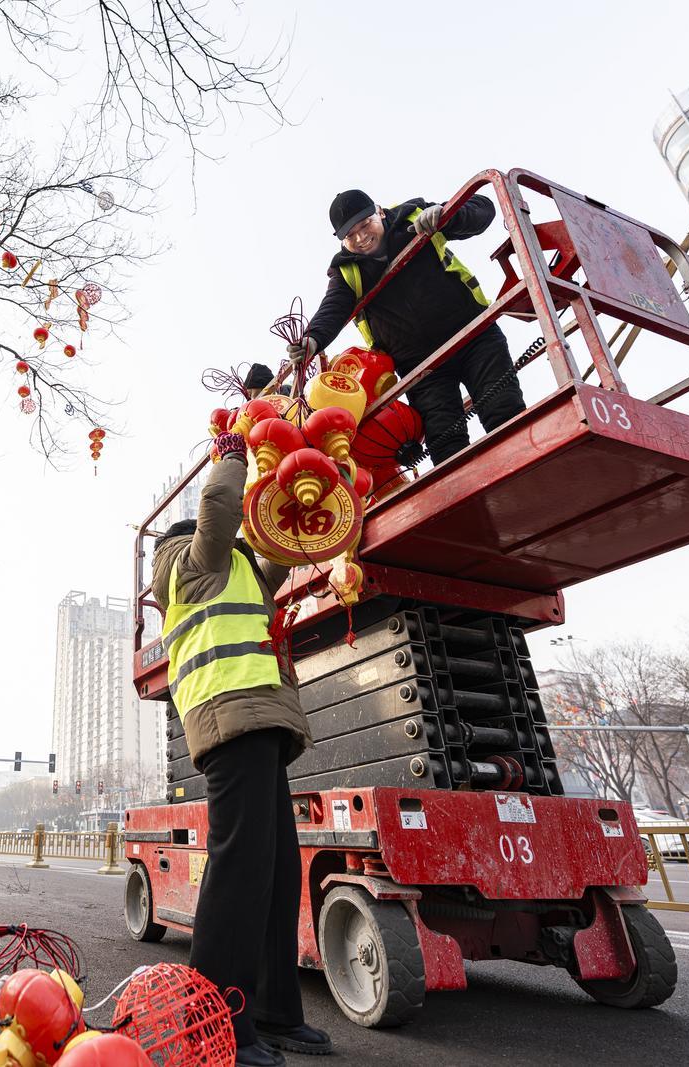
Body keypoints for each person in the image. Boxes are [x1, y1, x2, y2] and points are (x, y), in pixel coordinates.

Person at [152, 428, 326, 1066]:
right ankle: (212, 1022)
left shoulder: (237, 573)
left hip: (263, 726)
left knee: (278, 874)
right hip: (230, 723)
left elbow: (274, 549)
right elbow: (221, 514)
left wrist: (299, 497)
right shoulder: (187, 567)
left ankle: (277, 1013)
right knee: (240, 870)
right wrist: (230, 454)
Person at [295, 188, 526, 464]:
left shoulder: (413, 217)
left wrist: (447, 216)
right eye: (350, 235)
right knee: (446, 444)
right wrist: (313, 339)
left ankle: (529, 471)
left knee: (503, 411)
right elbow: (333, 308)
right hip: (422, 368)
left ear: (379, 212)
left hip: (473, 336)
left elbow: (483, 209)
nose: (361, 237)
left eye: (365, 225)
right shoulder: (347, 272)